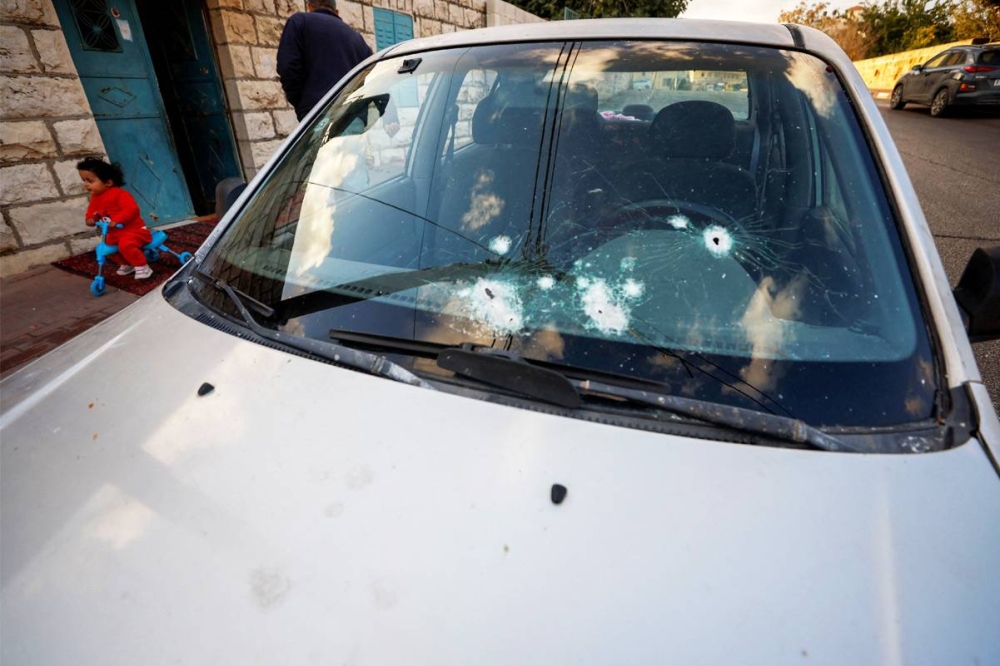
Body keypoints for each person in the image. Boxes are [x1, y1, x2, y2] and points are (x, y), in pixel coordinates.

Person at [277, 0, 373, 121]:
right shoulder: (356, 37)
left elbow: (287, 67)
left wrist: (301, 102)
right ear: (336, 11)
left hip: (317, 113)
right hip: (352, 116)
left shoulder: (299, 22)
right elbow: (373, 75)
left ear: (310, 7)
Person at [77, 157, 154, 280]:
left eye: (90, 181)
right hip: (114, 233)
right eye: (84, 180)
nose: (85, 184)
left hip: (134, 231)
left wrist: (117, 220)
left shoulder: (120, 194)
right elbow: (92, 211)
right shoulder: (95, 197)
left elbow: (132, 209)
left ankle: (142, 265)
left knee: (126, 244)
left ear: (108, 182)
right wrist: (90, 218)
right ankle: (127, 263)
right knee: (106, 247)